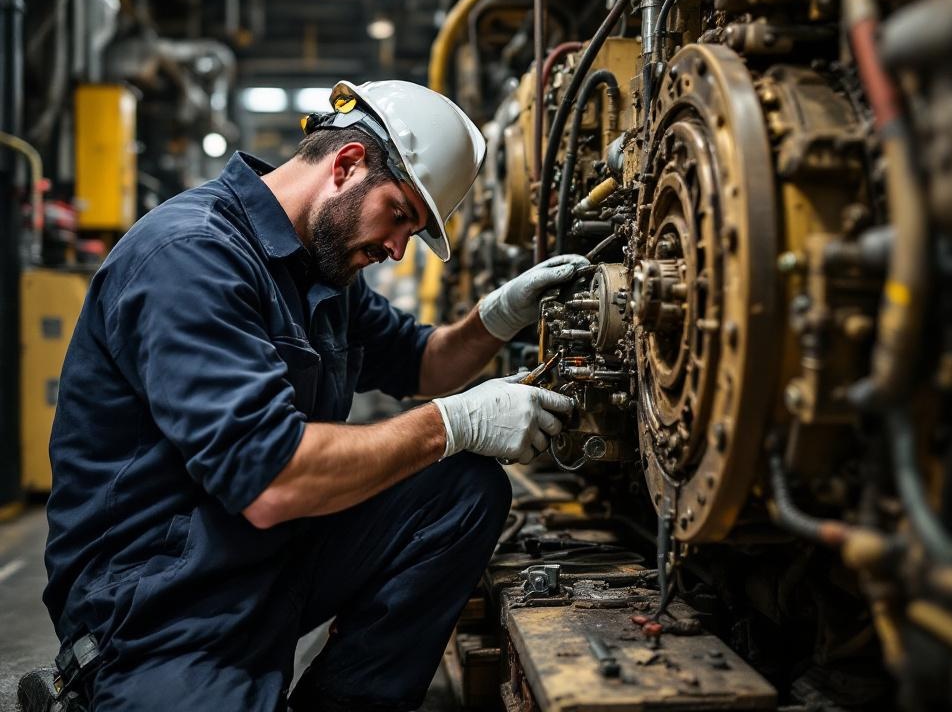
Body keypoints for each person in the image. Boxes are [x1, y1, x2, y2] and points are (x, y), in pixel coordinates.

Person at [41, 80, 588, 711]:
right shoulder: (191, 256)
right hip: (157, 604)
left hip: (260, 559)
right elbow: (273, 482)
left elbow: (425, 362)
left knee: (463, 491)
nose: (396, 247)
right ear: (348, 165)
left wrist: (500, 314)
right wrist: (453, 422)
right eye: (402, 215)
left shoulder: (318, 269)